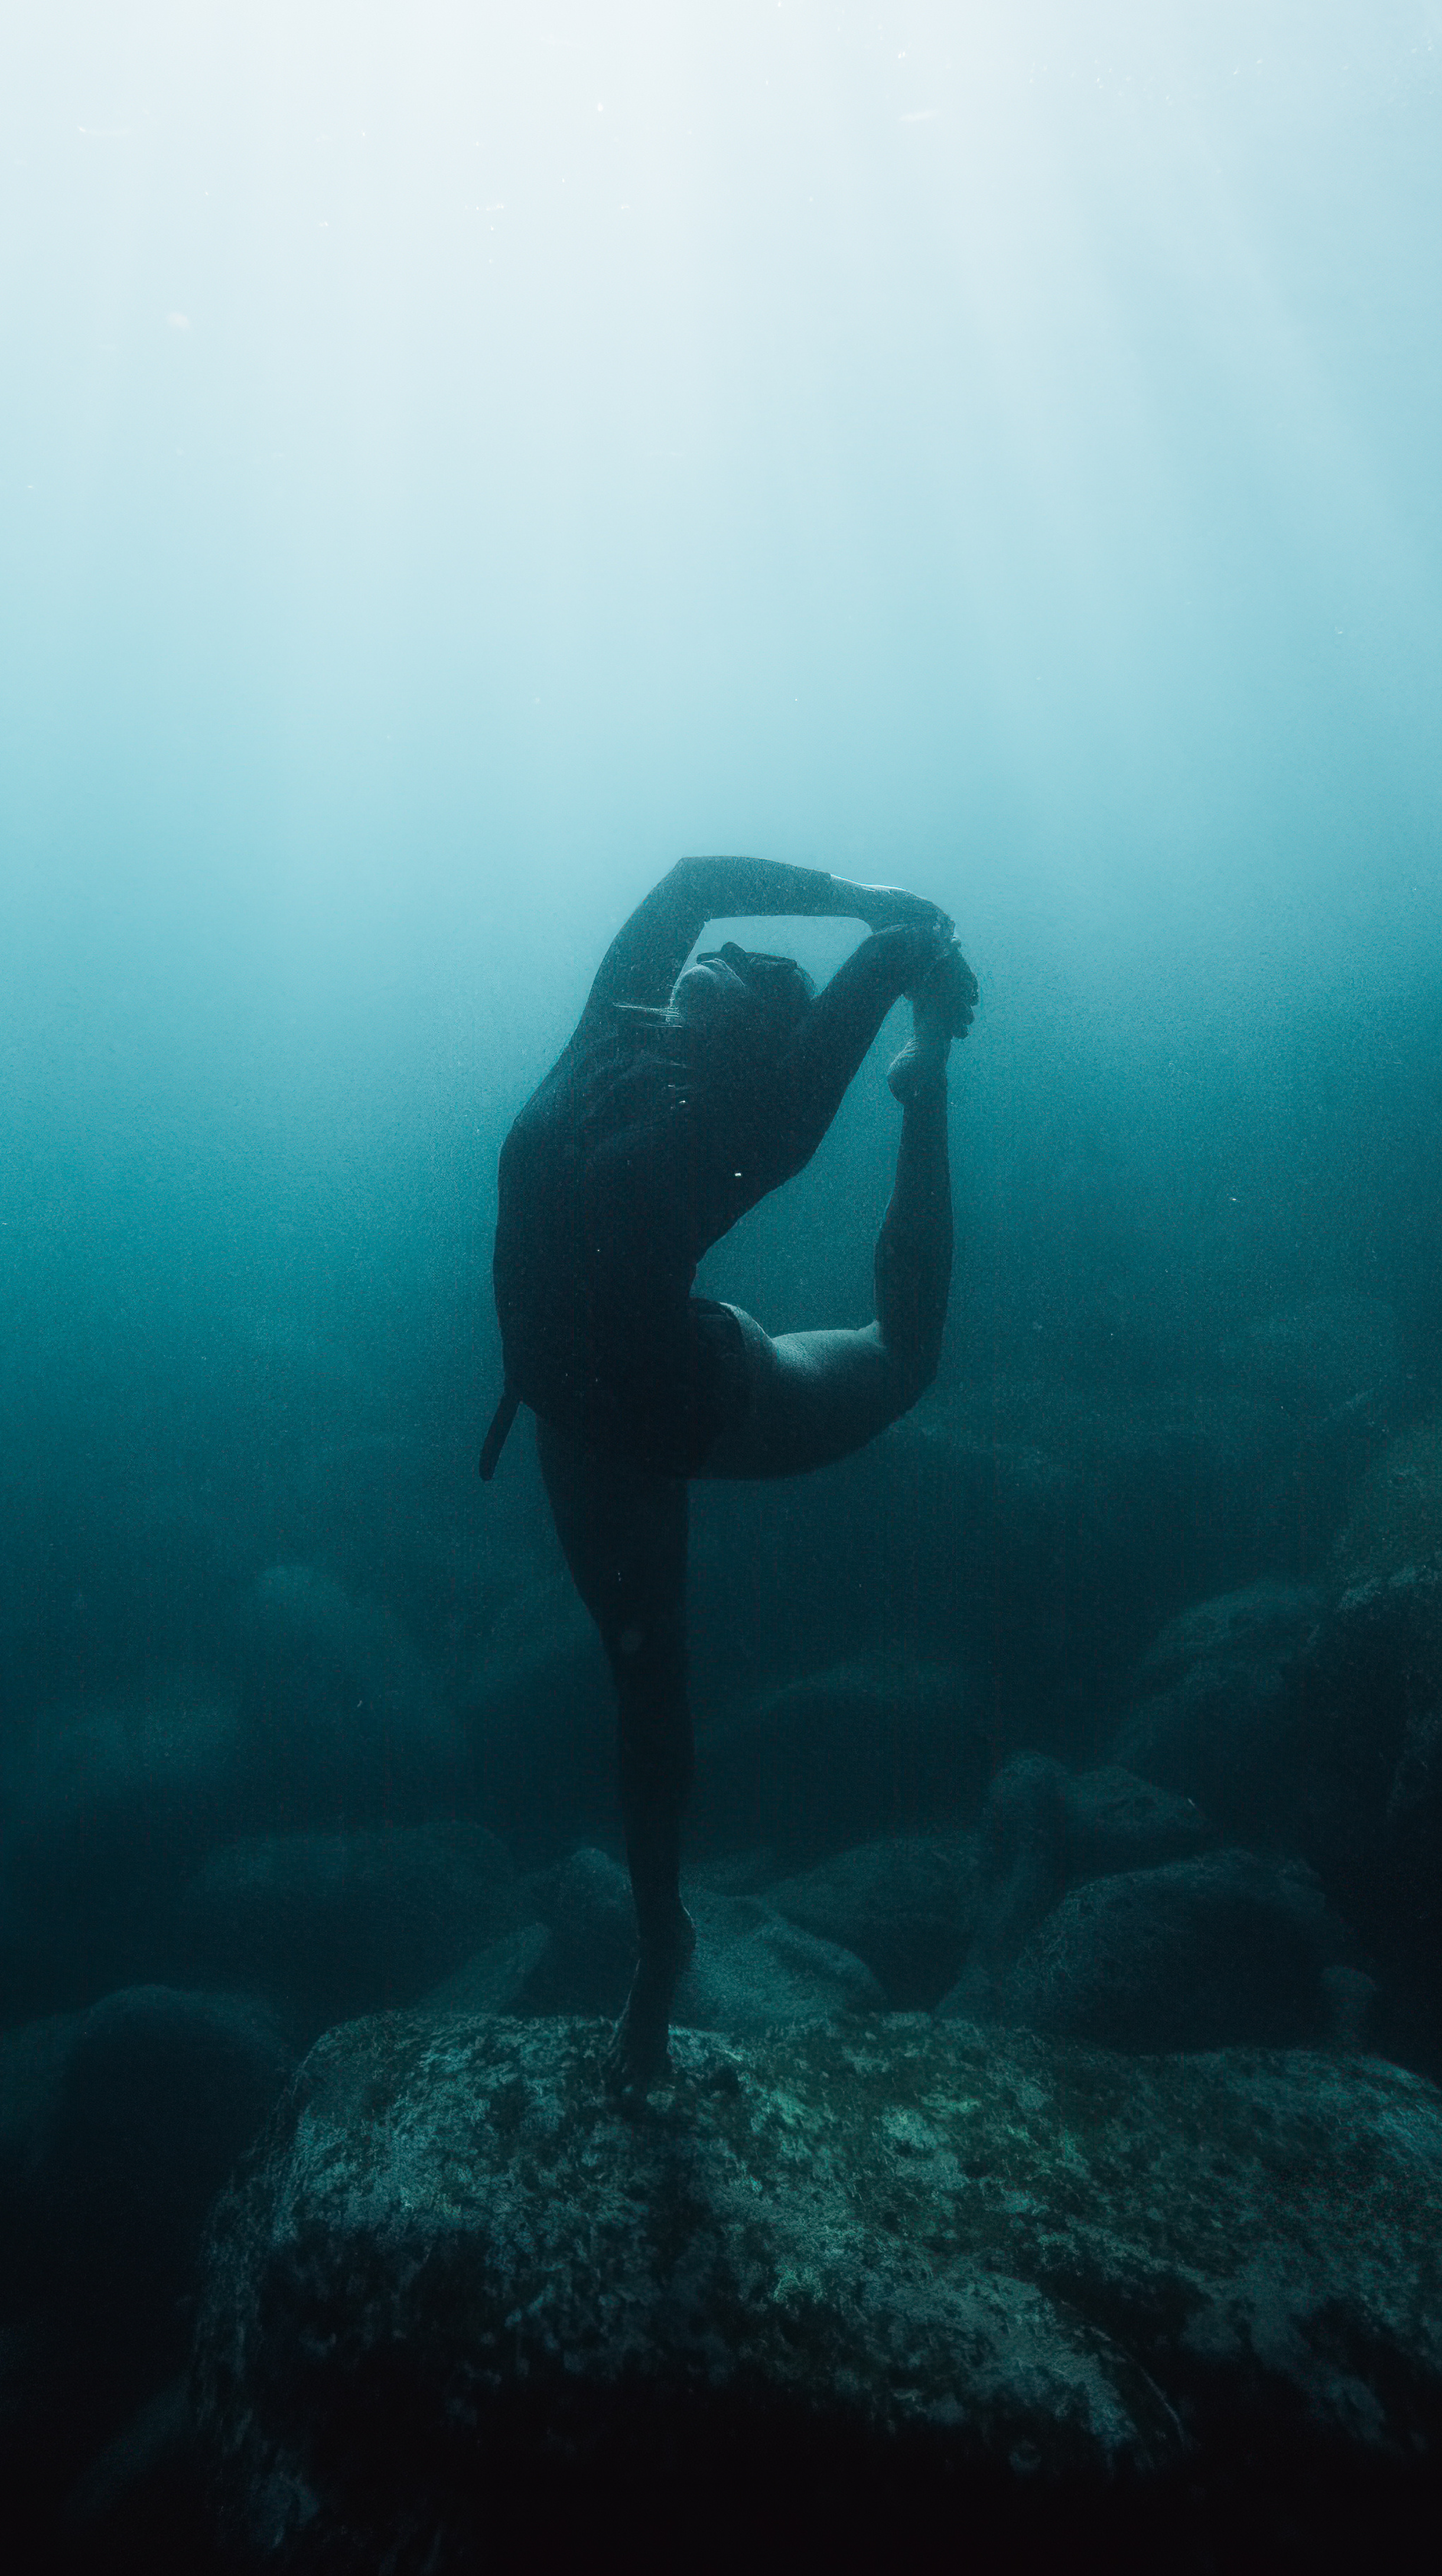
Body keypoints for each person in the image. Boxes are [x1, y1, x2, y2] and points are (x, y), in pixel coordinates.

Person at [484, 854, 978, 2090]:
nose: (730, 955)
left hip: (681, 1402)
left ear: (768, 1038)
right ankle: (665, 1939)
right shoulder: (617, 1019)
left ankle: (925, 1095)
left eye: (761, 977)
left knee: (901, 1360)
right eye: (731, 954)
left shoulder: (758, 1123)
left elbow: (901, 951)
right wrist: (861, 902)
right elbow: (694, 879)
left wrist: (912, 973)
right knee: (635, 1680)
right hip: (578, 1406)